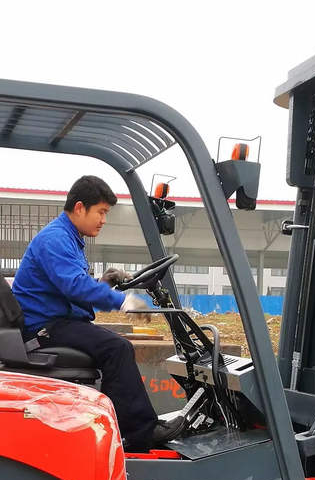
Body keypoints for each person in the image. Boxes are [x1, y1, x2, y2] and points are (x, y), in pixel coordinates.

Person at [11, 175, 186, 451]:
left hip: (53, 321)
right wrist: (123, 301)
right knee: (117, 349)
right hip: (44, 328)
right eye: (101, 212)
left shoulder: (67, 237)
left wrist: (104, 284)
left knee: (113, 345)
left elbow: (70, 290)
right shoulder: (56, 239)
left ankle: (124, 425)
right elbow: (74, 286)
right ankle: (140, 433)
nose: (104, 220)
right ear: (80, 208)